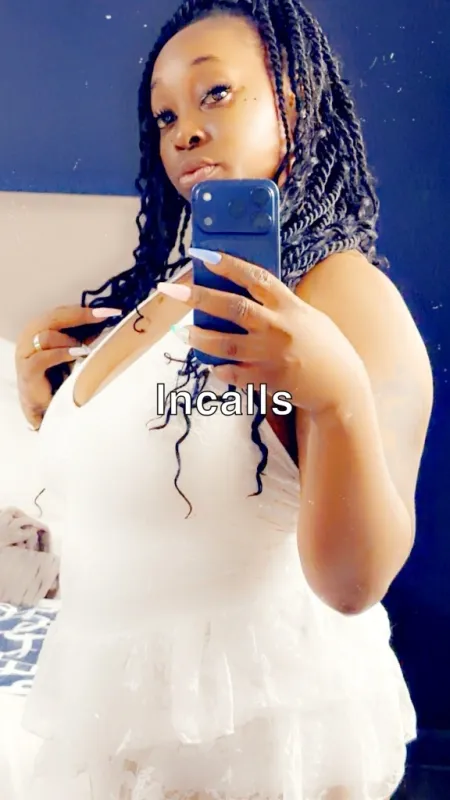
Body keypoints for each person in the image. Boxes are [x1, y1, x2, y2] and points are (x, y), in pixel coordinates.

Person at [14, 0, 433, 798]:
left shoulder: (343, 295)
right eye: (165, 115)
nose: (183, 133)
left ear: (294, 103)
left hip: (247, 736)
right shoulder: (176, 292)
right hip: (121, 716)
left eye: (216, 93)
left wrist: (339, 396)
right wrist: (52, 401)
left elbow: (354, 584)